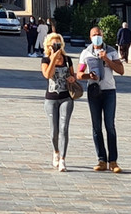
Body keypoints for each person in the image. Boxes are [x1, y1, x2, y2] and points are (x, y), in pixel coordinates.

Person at [79, 26, 125, 173]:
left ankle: (113, 161)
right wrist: (89, 76)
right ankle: (101, 160)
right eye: (94, 35)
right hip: (94, 91)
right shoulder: (86, 53)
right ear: (90, 37)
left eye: (98, 34)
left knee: (110, 126)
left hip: (109, 91)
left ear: (102, 35)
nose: (96, 37)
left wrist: (106, 59)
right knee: (96, 126)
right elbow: (79, 74)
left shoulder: (111, 51)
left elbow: (121, 70)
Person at [41, 32, 75, 172]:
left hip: (66, 97)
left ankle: (63, 159)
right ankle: (56, 151)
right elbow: (47, 75)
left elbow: (73, 75)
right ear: (49, 46)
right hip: (51, 98)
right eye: (54, 44)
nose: (56, 46)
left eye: (58, 44)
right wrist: (53, 58)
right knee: (54, 130)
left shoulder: (67, 59)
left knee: (64, 128)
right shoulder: (46, 60)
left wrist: (72, 78)